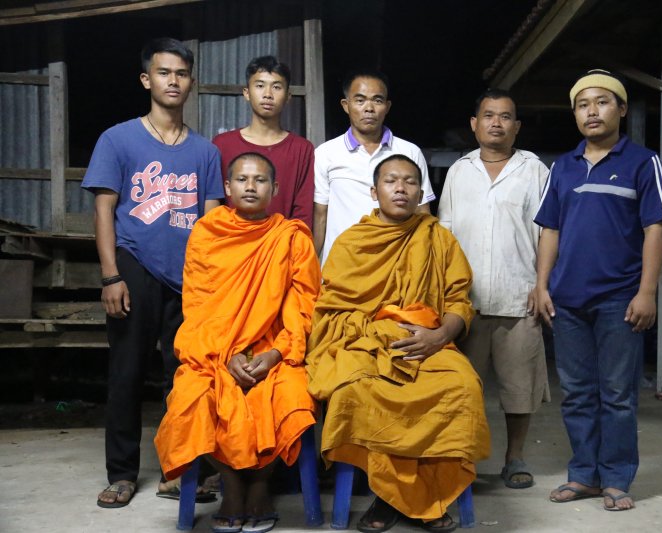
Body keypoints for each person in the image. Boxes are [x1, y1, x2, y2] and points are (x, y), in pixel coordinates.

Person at [306, 154, 491, 533]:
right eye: (391, 181)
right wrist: (380, 332)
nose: (401, 188)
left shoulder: (438, 238)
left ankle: (402, 497)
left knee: (462, 386)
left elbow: (459, 302)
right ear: (375, 192)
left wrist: (440, 336)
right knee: (354, 390)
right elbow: (332, 310)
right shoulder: (352, 241)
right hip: (368, 344)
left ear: (421, 193)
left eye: (410, 181)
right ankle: (403, 498)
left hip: (430, 345)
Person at [82, 37, 224, 509]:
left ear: (191, 82)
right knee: (126, 373)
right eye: (164, 73)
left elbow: (211, 222)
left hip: (190, 277)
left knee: (184, 377)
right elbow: (104, 211)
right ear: (147, 80)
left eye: (181, 73)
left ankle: (177, 471)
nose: (173, 81)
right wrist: (110, 276)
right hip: (134, 265)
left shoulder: (205, 152)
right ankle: (122, 475)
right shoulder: (118, 139)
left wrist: (210, 284)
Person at [154, 152, 320, 533]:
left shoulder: (291, 238)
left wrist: (276, 353)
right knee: (192, 397)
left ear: (275, 188)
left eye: (260, 180)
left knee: (292, 395)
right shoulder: (208, 233)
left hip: (275, 349)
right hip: (214, 347)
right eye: (242, 179)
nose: (250, 186)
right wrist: (225, 355)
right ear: (227, 187)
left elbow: (304, 307)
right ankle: (231, 486)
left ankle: (259, 486)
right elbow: (197, 306)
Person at [533, 69, 662, 511]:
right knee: (577, 394)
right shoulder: (563, 167)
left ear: (622, 109)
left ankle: (615, 478)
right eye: (582, 104)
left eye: (602, 102)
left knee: (617, 395)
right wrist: (542, 286)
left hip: (620, 299)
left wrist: (647, 292)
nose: (592, 111)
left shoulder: (643, 163)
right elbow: (550, 230)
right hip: (567, 301)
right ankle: (583, 475)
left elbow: (655, 229)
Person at [438, 88, 550, 490]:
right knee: (461, 389)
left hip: (518, 295)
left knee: (520, 388)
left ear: (516, 126)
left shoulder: (534, 170)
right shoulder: (459, 171)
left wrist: (542, 285)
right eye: (488, 115)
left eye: (505, 117)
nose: (496, 123)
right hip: (464, 302)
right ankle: (463, 461)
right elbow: (444, 235)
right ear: (474, 124)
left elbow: (548, 232)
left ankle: (514, 457)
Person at [312, 70, 435, 264]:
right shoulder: (326, 153)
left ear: (387, 107)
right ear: (346, 105)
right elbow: (320, 216)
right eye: (360, 100)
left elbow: (422, 212)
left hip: (396, 262)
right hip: (342, 264)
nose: (369, 108)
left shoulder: (409, 152)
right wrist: (310, 267)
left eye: (377, 100)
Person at [213, 55, 314, 229]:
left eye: (276, 87)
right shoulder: (222, 144)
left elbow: (303, 215)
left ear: (288, 96)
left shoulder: (302, 149)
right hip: (230, 241)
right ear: (246, 93)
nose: (268, 94)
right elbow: (215, 207)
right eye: (260, 86)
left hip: (282, 243)